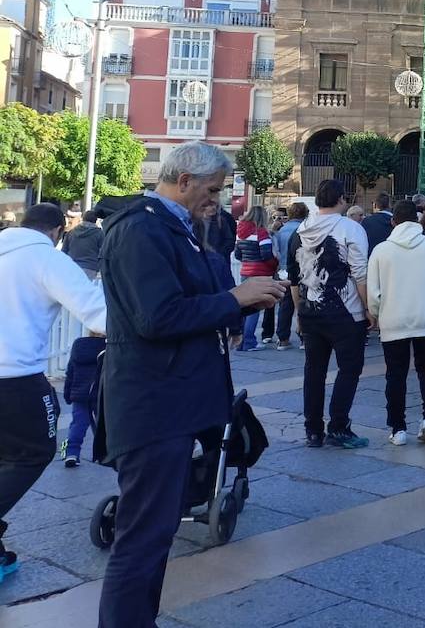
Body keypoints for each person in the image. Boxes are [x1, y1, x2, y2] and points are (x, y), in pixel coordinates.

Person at [97, 143, 282, 626]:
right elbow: (157, 316)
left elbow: (186, 300)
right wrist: (234, 297)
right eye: (213, 190)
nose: (217, 200)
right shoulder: (142, 229)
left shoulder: (176, 227)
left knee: (154, 533)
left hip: (172, 399)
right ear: (183, 180)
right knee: (143, 537)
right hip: (155, 402)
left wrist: (240, 303)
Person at [0, 202, 107, 578]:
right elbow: (99, 314)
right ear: (58, 231)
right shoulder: (46, 258)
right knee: (34, 453)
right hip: (14, 378)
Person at [288, 178, 372, 449]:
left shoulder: (299, 231)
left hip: (310, 310)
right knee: (350, 369)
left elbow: (294, 278)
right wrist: (370, 309)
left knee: (313, 370)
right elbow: (360, 274)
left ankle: (312, 430)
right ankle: (338, 426)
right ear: (341, 200)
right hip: (346, 311)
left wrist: (299, 313)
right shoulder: (350, 228)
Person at [367, 200, 425, 446]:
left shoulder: (382, 250)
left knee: (395, 374)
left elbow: (374, 292)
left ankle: (398, 427)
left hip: (394, 318)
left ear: (393, 221)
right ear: (417, 220)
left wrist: (376, 313)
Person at [234, 205, 278, 350]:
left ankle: (240, 341)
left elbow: (237, 255)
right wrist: (274, 266)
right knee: (254, 309)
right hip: (260, 272)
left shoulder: (241, 233)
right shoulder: (262, 232)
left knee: (245, 306)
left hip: (245, 271)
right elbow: (267, 254)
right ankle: (249, 341)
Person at [61, 330, 106, 467]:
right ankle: (105, 453)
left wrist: (68, 394)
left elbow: (70, 373)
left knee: (78, 425)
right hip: (100, 394)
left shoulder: (78, 346)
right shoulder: (108, 348)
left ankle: (71, 453)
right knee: (104, 425)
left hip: (79, 394)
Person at [273, 202, 308, 350]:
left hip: (283, 270)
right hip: (300, 270)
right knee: (303, 302)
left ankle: (283, 338)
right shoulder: (304, 230)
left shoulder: (281, 230)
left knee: (285, 305)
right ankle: (304, 338)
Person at [60, 208, 103, 279]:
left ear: (83, 218)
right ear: (95, 220)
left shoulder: (71, 232)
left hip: (72, 266)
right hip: (90, 267)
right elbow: (102, 252)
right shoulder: (99, 234)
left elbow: (64, 251)